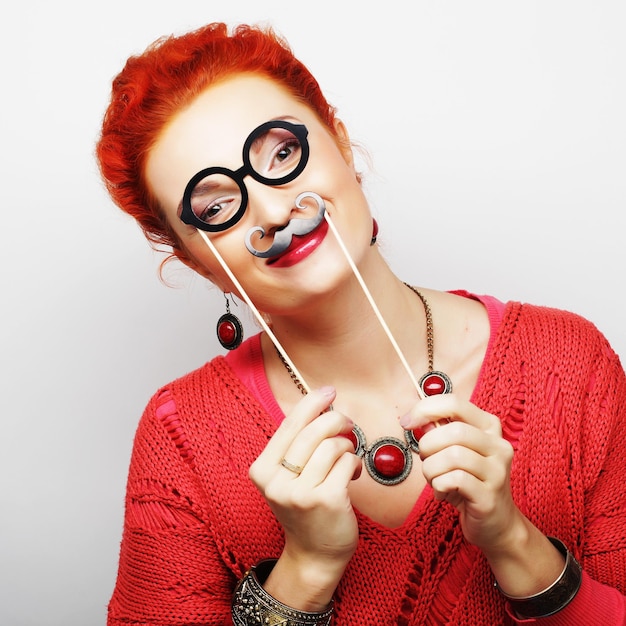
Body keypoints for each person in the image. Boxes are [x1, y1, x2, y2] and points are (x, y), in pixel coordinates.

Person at [96, 22, 626, 625]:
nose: (272, 209)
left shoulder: (569, 362)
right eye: (216, 208)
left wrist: (512, 541)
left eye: (283, 153)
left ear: (341, 146)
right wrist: (306, 571)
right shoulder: (181, 438)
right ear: (200, 264)